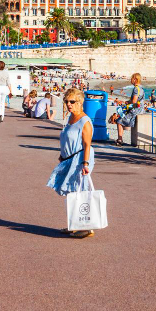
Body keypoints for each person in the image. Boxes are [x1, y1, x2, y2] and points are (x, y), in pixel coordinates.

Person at [46, 88, 96, 239]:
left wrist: (85, 164)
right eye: (67, 101)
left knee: (80, 191)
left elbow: (87, 144)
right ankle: (74, 224)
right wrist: (62, 155)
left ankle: (87, 227)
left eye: (72, 102)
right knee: (71, 192)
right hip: (68, 158)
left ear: (80, 102)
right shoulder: (71, 118)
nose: (69, 104)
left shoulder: (84, 121)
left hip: (80, 159)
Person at [114, 73, 144, 147]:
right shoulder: (141, 89)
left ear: (135, 79)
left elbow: (134, 101)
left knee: (119, 121)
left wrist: (128, 102)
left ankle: (120, 140)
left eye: (131, 78)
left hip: (135, 110)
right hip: (140, 109)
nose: (130, 80)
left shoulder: (136, 89)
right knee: (123, 118)